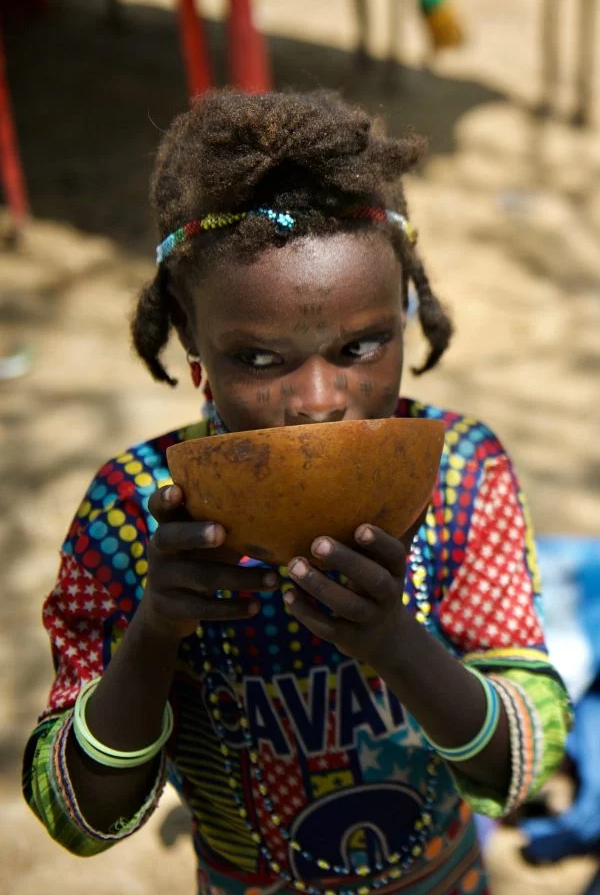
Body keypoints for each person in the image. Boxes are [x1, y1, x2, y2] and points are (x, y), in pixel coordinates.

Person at [22, 90, 571, 895]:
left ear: (406, 319)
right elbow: (77, 817)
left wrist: (394, 643)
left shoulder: (458, 471)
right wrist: (154, 630)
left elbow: (519, 764)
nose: (317, 398)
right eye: (259, 357)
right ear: (195, 351)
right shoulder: (135, 511)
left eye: (359, 344)